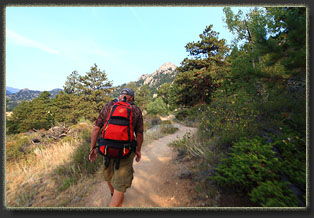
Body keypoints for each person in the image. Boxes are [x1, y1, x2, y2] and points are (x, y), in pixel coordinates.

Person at [89, 88, 143, 207]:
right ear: (132, 98)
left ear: (120, 96)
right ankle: (116, 197)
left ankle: (113, 195)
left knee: (109, 175)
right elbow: (139, 133)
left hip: (106, 149)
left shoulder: (109, 106)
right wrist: (138, 150)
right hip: (126, 151)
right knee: (120, 185)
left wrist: (92, 148)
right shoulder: (136, 110)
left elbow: (96, 128)